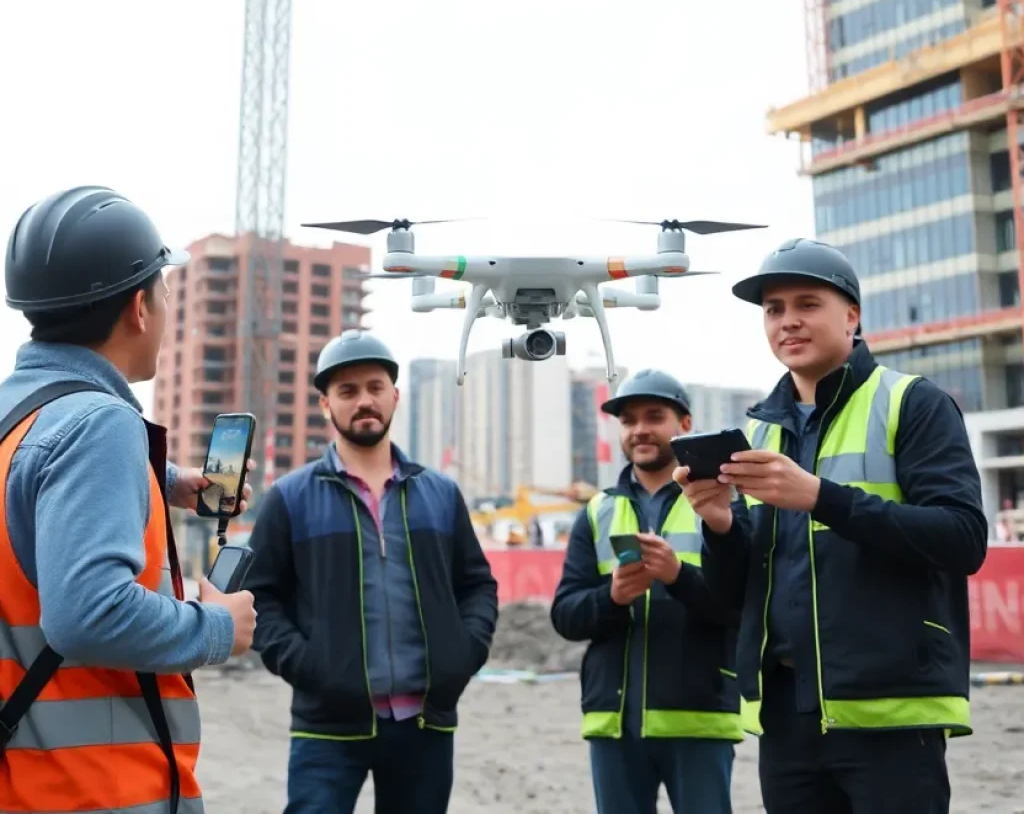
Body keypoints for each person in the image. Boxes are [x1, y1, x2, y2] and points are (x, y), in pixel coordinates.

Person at [677, 237, 989, 814]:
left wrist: (822, 497)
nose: (787, 321)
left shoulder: (912, 403)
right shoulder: (762, 435)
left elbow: (963, 538)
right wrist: (720, 525)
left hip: (891, 710)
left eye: (806, 303)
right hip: (788, 716)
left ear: (852, 315)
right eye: (774, 310)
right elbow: (733, 599)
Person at [0, 186, 257, 814]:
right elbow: (87, 615)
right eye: (166, 294)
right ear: (140, 308)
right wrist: (220, 627)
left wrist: (161, 481)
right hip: (98, 789)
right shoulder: (100, 426)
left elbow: (27, 494)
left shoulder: (15, 416)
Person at [246, 329, 499, 814]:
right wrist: (311, 667)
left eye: (375, 387)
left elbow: (477, 585)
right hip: (327, 725)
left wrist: (462, 654)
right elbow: (259, 598)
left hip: (425, 723)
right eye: (348, 391)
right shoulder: (291, 498)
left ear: (395, 396)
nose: (365, 400)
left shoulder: (441, 495)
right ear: (326, 404)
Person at [551, 369, 741, 814]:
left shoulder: (720, 504)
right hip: (614, 724)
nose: (639, 430)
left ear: (686, 424)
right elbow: (565, 615)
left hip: (699, 717)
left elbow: (741, 606)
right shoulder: (597, 512)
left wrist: (678, 577)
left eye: (654, 416)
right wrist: (612, 597)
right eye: (628, 420)